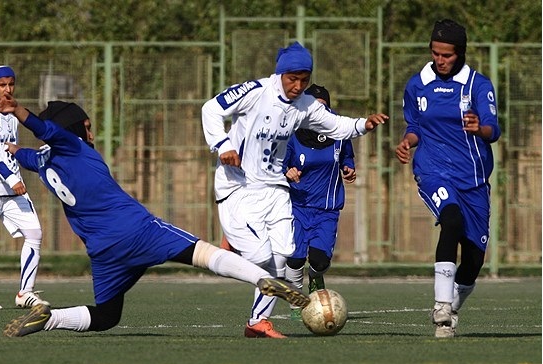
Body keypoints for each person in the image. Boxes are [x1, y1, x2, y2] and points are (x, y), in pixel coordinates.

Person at [0, 96, 310, 338]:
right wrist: (19, 112)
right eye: (86, 126)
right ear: (72, 129)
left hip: (102, 249)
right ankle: (263, 280)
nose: (91, 131)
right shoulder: (72, 145)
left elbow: (29, 155)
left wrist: (11, 148)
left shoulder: (44, 159)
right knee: (203, 252)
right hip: (134, 229)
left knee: (106, 317)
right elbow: (46, 128)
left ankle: (50, 318)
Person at [201, 41, 388, 338]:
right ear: (280, 74)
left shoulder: (304, 105)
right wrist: (222, 145)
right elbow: (211, 109)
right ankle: (216, 253)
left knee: (284, 255)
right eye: (293, 78)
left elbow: (335, 125)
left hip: (274, 188)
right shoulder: (254, 92)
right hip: (239, 186)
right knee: (261, 257)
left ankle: (257, 323)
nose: (298, 85)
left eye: (304, 79)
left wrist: (363, 124)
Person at [395, 19, 500, 338]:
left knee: (474, 260)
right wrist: (407, 142)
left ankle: (452, 306)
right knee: (451, 221)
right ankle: (442, 308)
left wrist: (477, 128)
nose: (440, 60)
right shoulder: (417, 84)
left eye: (447, 55)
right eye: (435, 53)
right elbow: (414, 125)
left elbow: (493, 131)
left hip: (473, 178)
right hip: (433, 170)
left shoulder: (478, 86)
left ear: (461, 54)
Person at [0, 65, 48, 311]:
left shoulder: (10, 111)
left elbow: (9, 148)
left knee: (34, 233)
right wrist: (10, 177)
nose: (7, 89)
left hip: (13, 189)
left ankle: (25, 293)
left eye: (11, 84)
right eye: (2, 85)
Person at [283, 84, 356, 320]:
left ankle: (315, 278)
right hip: (297, 206)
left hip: (327, 208)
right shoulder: (292, 131)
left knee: (319, 260)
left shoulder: (338, 129)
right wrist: (287, 171)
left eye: (322, 108)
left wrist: (349, 168)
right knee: (294, 258)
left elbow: (347, 155)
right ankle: (296, 304)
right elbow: (277, 163)